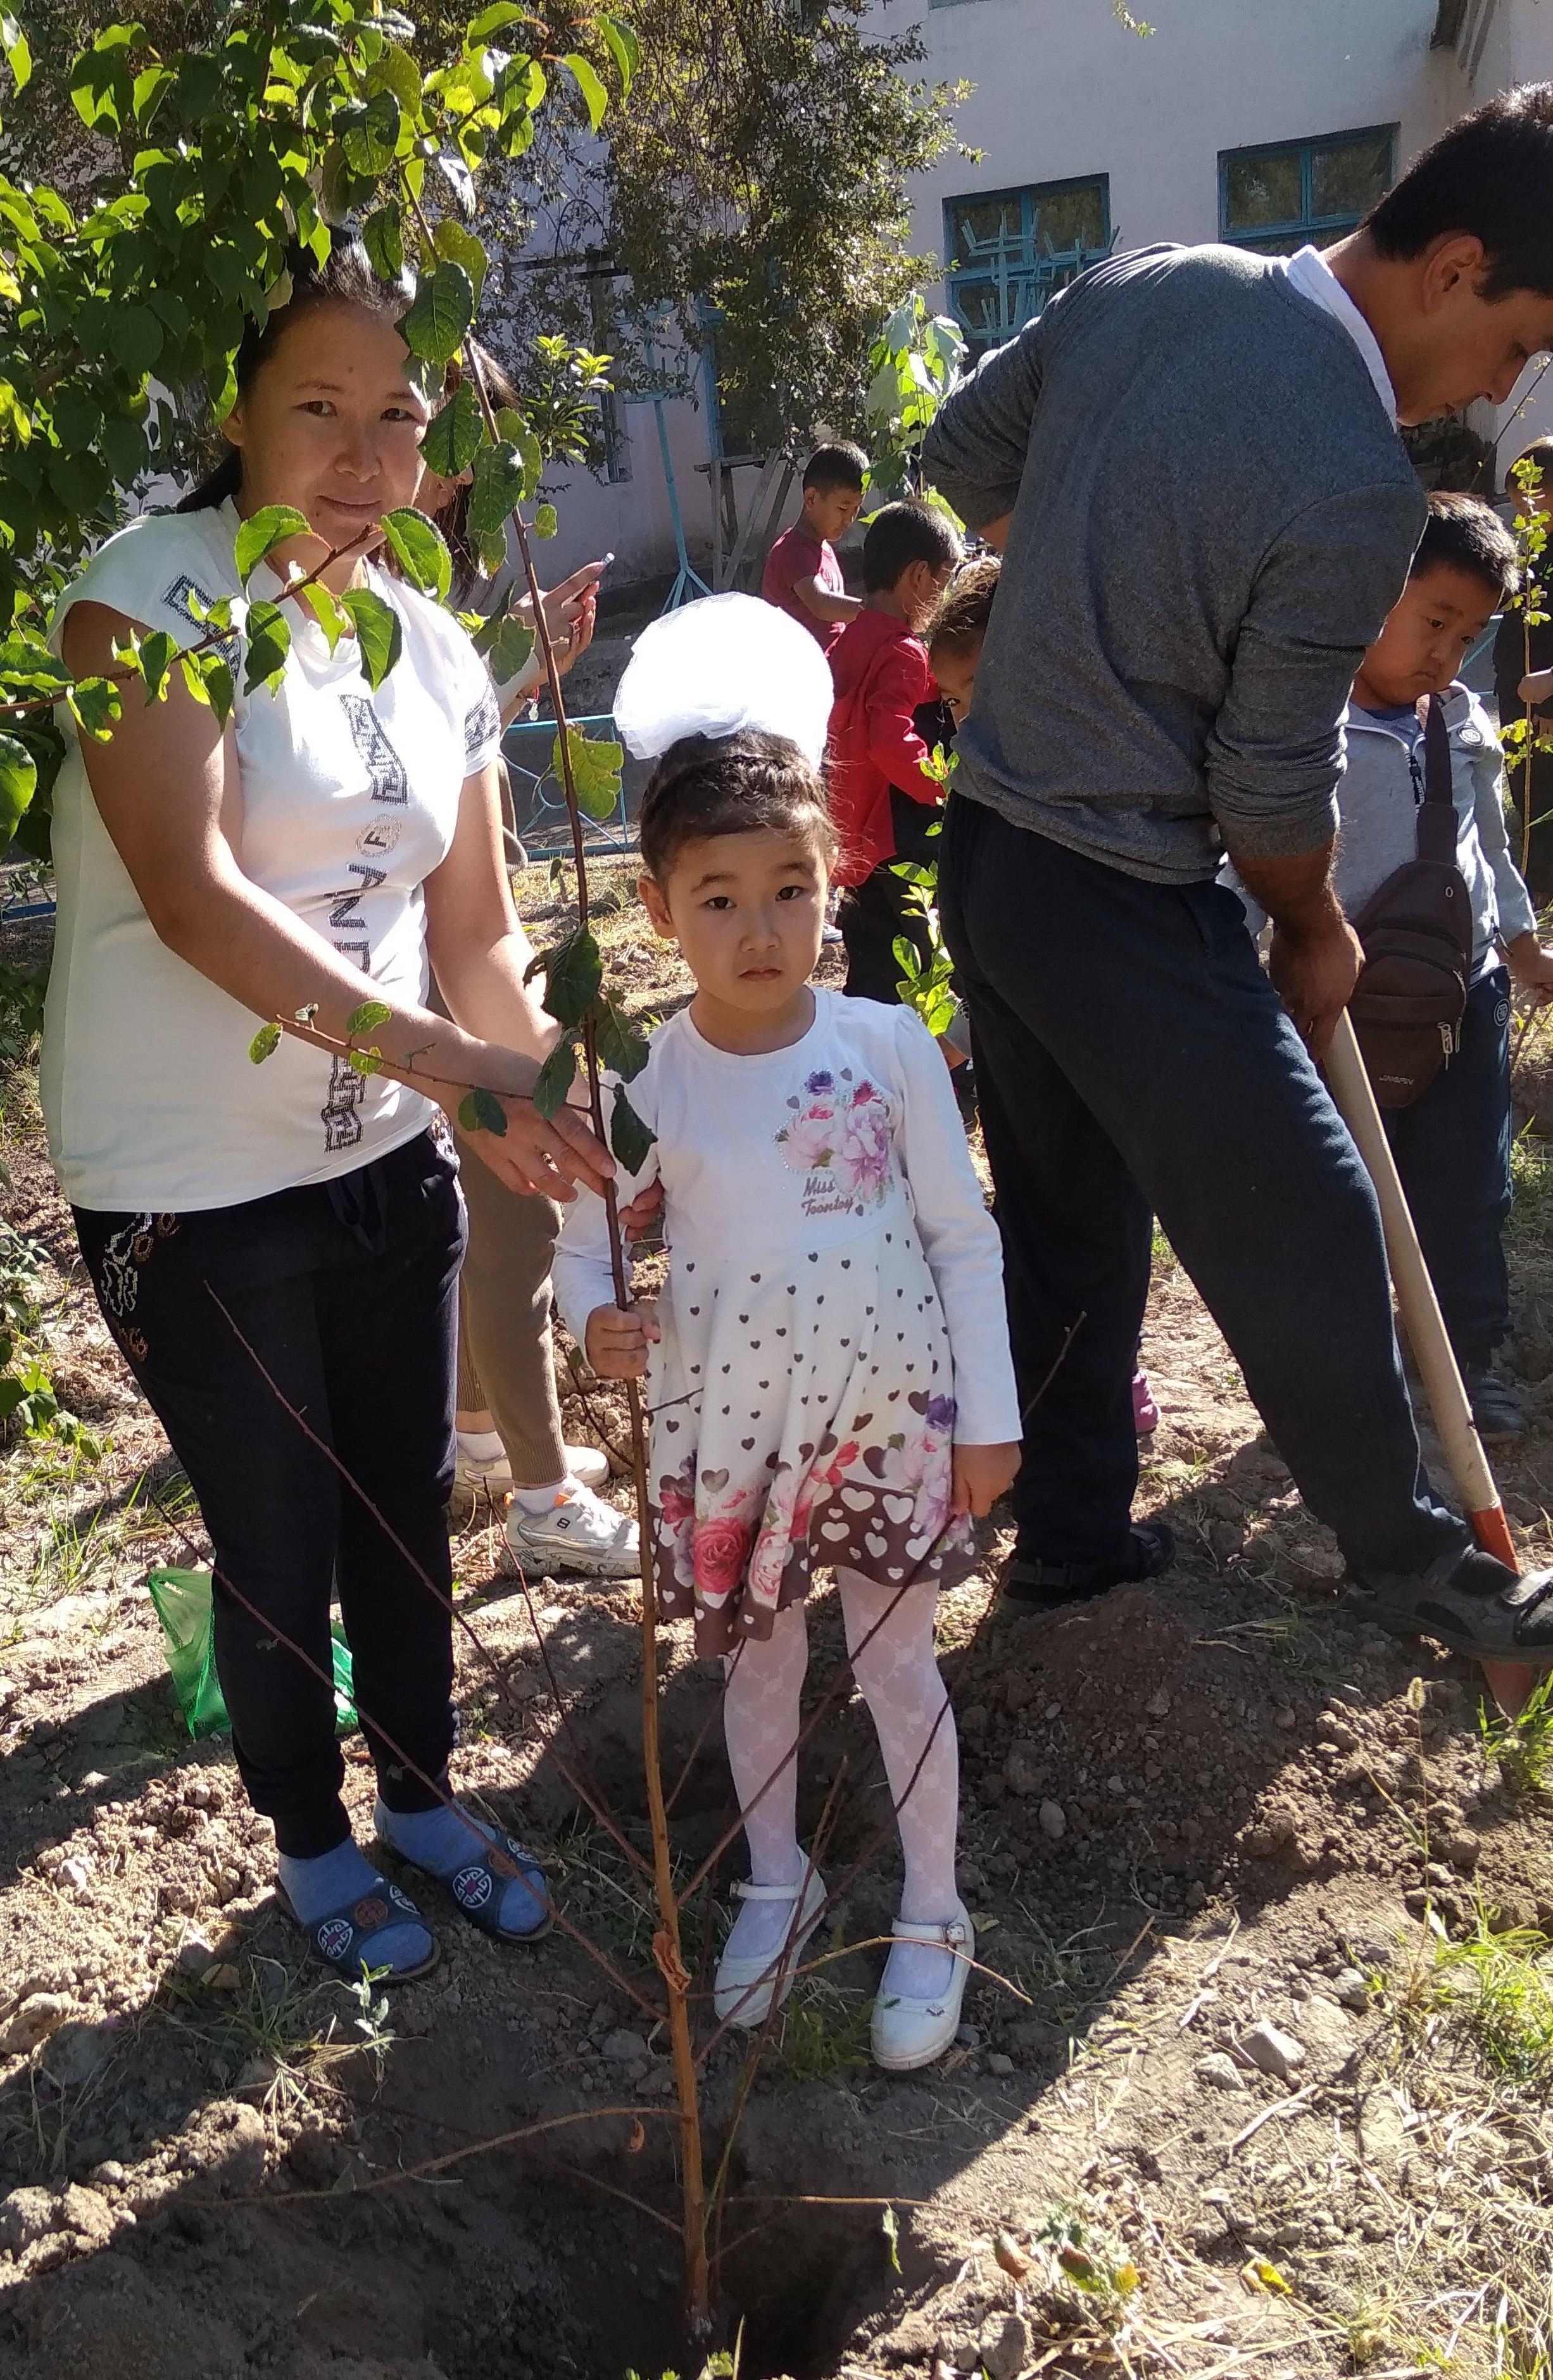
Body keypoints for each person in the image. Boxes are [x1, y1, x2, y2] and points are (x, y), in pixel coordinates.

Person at [919, 80, 1553, 1665]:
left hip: (997, 858)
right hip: (1125, 889)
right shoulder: (1359, 483)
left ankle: (1072, 1546)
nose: (1503, 392)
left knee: (1071, 1219)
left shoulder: (1160, 277)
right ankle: (1428, 1562)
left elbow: (961, 451)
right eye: (1517, 345)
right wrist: (1310, 923)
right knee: (1305, 1205)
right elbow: (1266, 783)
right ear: (1453, 267)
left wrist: (1097, 560)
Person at [44, 236, 616, 1984]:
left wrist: (532, 1085)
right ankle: (307, 1836)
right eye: (319, 407)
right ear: (234, 411)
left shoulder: (428, 641)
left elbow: (476, 926)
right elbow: (199, 893)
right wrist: (458, 1061)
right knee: (278, 1531)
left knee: (402, 1501)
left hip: (380, 1152)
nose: (368, 456)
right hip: (186, 1180)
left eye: (399, 412)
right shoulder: (145, 597)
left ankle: (430, 1800)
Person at [555, 596, 1021, 2072]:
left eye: (787, 891)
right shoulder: (643, 1083)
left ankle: (936, 1907)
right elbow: (593, 1251)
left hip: (892, 1425)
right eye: (717, 898)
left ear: (836, 884)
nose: (758, 930)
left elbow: (961, 1233)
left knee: (899, 1663)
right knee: (755, 1668)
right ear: (659, 909)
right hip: (734, 1435)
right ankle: (777, 1878)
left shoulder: (886, 1049)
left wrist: (990, 1417)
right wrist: (597, 1333)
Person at [1229, 495, 1553, 1435]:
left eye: (1466, 633)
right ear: (1372, 593)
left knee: (1467, 1186)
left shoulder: (1461, 719)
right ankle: (1342, 1370)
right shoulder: (1304, 727)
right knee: (1336, 1191)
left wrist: (1521, 948)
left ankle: (1464, 1362)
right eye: (1431, 621)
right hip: (1338, 1011)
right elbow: (1247, 863)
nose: (1443, 651)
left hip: (1463, 999)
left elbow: (1490, 852)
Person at [420, 362, 641, 1581]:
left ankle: (477, 1436)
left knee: (498, 1201)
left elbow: (455, 758)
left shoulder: (428, 595)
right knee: (510, 1206)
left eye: (469, 425)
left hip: (455, 947)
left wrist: (516, 673)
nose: (458, 452)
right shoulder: (364, 582)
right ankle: (545, 1495)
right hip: (408, 982)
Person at [931, 555, 1161, 1433]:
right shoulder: (984, 812)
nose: (970, 718)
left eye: (983, 687)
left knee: (1096, 1244)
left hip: (1101, 1080)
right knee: (1053, 1242)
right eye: (954, 702)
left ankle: (1097, 1384)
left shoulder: (1089, 791)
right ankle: (1060, 1407)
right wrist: (950, 1035)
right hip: (1028, 1084)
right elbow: (991, 958)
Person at [827, 500, 962, 1006]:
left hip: (855, 835)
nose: (943, 595)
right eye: (943, 581)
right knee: (925, 963)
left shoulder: (848, 641)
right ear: (918, 576)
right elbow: (889, 739)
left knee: (870, 966)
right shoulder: (905, 650)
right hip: (896, 833)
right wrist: (944, 786)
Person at [1493, 434, 1553, 904]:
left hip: (1552, 695)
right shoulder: (1535, 545)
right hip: (1515, 690)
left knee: (1547, 790)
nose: (1519, 518)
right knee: (1521, 782)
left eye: (1527, 506)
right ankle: (1525, 862)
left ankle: (1541, 882)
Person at [760, 443, 869, 655]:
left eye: (856, 509)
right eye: (843, 508)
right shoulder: (792, 551)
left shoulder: (824, 548)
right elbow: (821, 603)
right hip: (800, 675)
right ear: (811, 499)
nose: (850, 519)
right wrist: (876, 611)